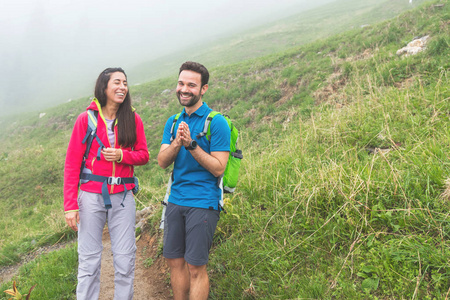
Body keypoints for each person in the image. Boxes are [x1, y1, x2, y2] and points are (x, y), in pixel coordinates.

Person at [64, 67, 149, 300]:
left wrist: (122, 156)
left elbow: (143, 154)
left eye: (125, 83)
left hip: (123, 196)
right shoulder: (86, 119)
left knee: (125, 258)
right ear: (104, 87)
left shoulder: (133, 118)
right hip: (90, 196)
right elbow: (72, 163)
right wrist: (70, 206)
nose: (122, 87)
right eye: (117, 82)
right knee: (89, 260)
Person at [157, 61, 230, 300]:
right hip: (175, 200)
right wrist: (178, 143)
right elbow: (162, 161)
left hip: (203, 202)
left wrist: (191, 145)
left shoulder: (216, 122)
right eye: (181, 83)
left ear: (203, 89)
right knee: (174, 262)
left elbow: (219, 168)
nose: (184, 89)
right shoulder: (173, 121)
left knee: (196, 266)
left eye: (191, 84)